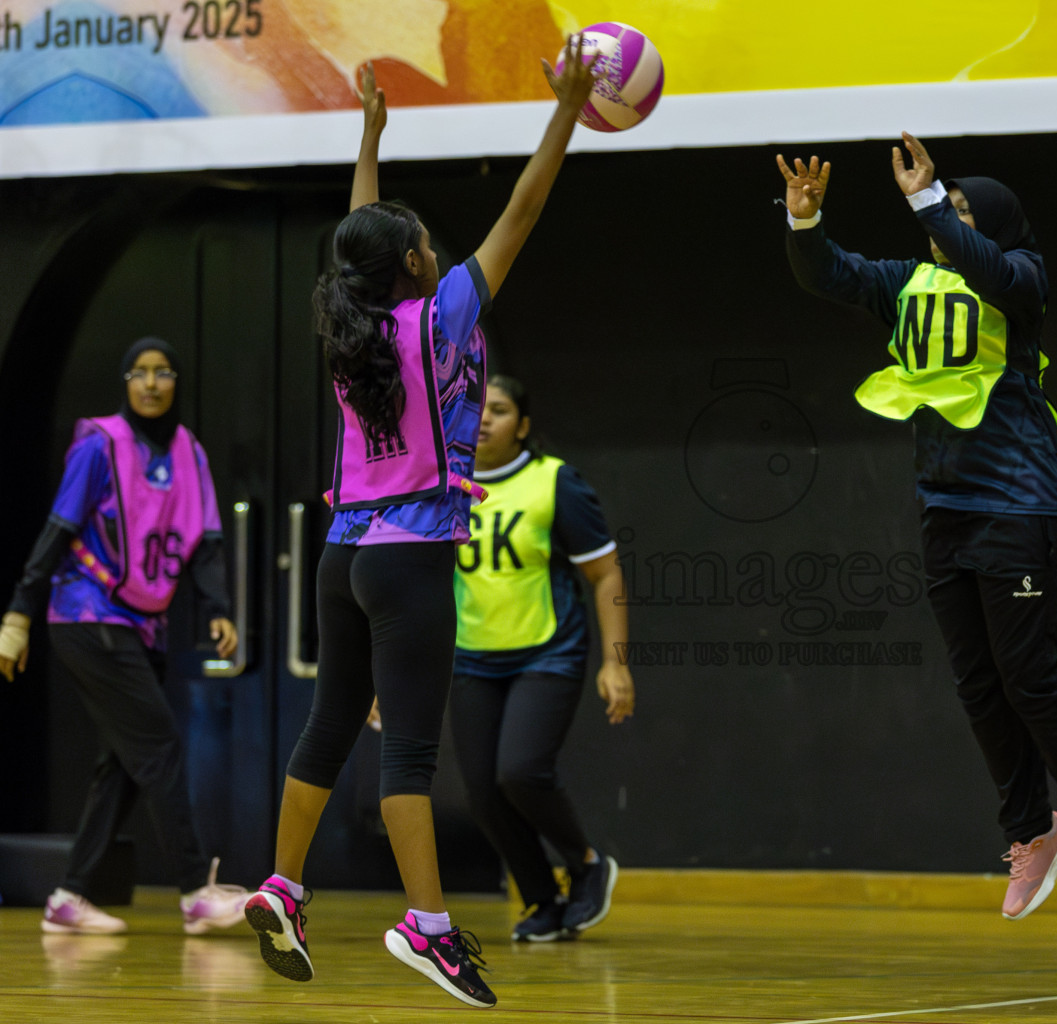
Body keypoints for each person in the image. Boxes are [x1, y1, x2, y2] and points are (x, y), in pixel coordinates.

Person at [242, 48, 598, 1010]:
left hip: (342, 550)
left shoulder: (349, 316)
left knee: (326, 724)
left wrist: (370, 137)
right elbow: (523, 208)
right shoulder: (440, 314)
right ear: (413, 263)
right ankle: (429, 928)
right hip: (407, 557)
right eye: (426, 242)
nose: (440, 249)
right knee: (407, 752)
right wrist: (564, 111)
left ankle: (282, 884)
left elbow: (356, 242)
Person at [778, 135, 1057, 923]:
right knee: (979, 684)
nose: (945, 224)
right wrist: (805, 224)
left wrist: (930, 201)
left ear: (995, 223)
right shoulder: (908, 283)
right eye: (942, 213)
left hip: (1022, 505)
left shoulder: (1023, 280)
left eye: (963, 212)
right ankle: (1030, 829)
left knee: (1030, 676)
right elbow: (831, 274)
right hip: (946, 508)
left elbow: (987, 263)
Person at [0, 338, 249, 936]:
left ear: (176, 381)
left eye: (164, 371)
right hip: (88, 614)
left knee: (124, 762)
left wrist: (218, 607)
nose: (152, 382)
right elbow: (58, 528)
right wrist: (18, 614)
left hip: (144, 623)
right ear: (125, 382)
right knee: (158, 745)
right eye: (139, 372)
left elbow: (208, 541)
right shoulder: (101, 444)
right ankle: (194, 892)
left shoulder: (190, 452)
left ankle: (68, 896)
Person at [449, 375, 633, 943]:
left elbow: (605, 575)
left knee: (521, 772)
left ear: (523, 427)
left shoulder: (555, 483)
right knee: (482, 793)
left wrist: (616, 662)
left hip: (546, 653)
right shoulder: (440, 488)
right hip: (471, 658)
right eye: (472, 407)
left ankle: (585, 864)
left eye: (498, 410)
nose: (482, 419)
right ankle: (542, 901)